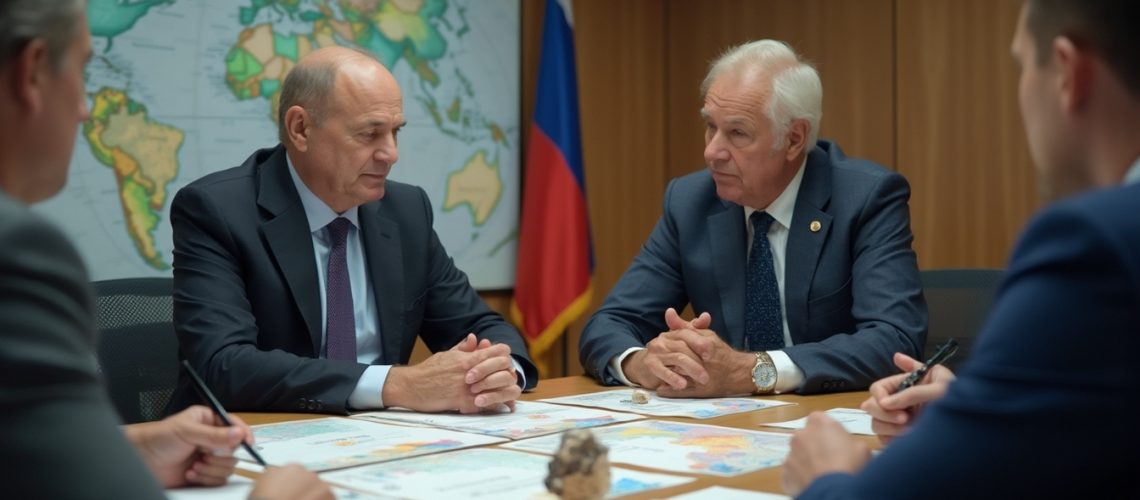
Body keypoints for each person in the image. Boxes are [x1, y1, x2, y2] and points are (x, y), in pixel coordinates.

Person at [782, 0, 1140, 497]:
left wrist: (825, 478)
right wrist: (975, 409)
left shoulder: (1095, 244)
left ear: (1066, 72)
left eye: (1021, 66)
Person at [0, 1, 330, 498]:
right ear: (31, 73)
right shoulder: (18, 251)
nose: (86, 108)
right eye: (84, 70)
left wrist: (132, 446)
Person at [166, 46, 537, 415]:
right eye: (369, 134)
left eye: (395, 132)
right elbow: (223, 365)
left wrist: (501, 372)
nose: (390, 153)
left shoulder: (406, 211)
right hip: (252, 438)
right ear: (301, 129)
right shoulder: (218, 211)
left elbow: (480, 325)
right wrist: (396, 384)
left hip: (378, 441)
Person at [578, 39, 927, 398]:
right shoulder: (691, 202)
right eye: (710, 126)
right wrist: (645, 363)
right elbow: (610, 324)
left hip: (829, 421)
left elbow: (894, 340)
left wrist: (751, 371)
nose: (712, 151)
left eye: (737, 133)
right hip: (729, 429)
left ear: (794, 139)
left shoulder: (865, 198)